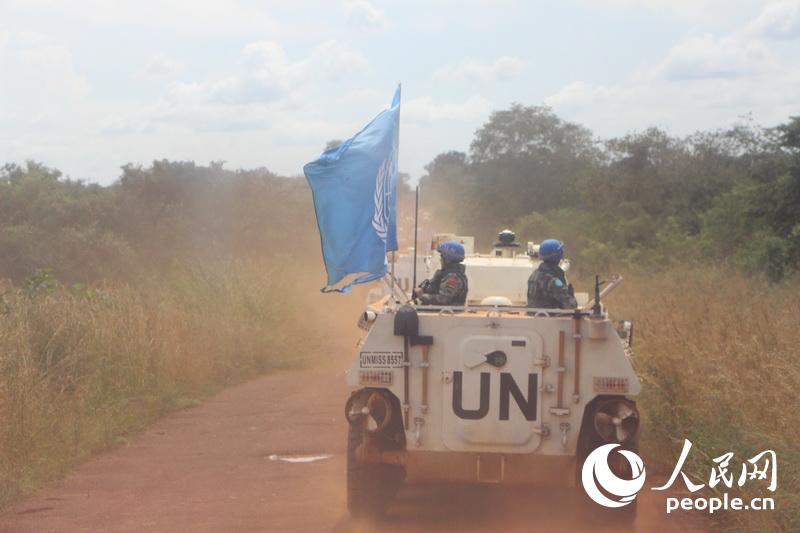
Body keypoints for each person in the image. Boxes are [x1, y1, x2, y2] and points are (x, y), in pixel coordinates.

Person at [414, 240, 468, 305]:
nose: (440, 259)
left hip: (446, 311)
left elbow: (444, 299)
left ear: (448, 259)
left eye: (442, 256)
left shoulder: (453, 277)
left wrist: (422, 296)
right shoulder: (445, 274)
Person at [527, 239, 577, 309]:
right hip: (550, 315)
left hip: (534, 314)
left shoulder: (533, 275)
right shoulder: (554, 281)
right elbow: (570, 306)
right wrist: (570, 294)